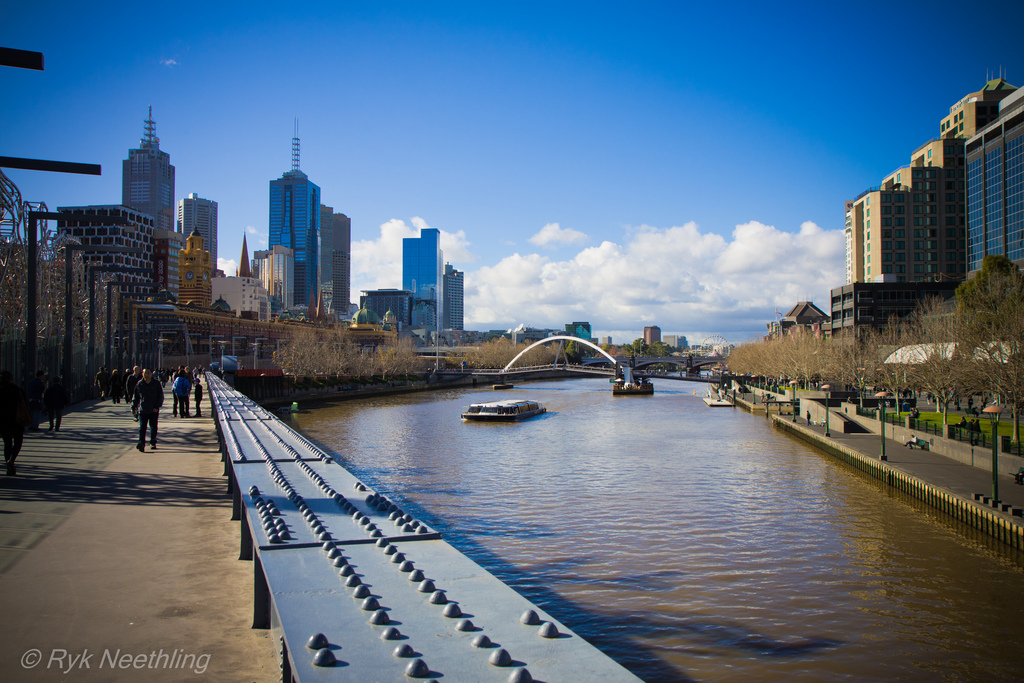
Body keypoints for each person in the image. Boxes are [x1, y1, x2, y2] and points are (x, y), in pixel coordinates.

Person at [0, 370, 27, 475]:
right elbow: (25, 403)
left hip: (3, 421)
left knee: (7, 443)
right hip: (17, 420)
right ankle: (12, 460)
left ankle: (8, 463)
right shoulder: (17, 390)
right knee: (18, 442)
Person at [132, 368, 163, 452]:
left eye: (148, 373)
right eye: (145, 373)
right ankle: (141, 443)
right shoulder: (140, 384)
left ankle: (153, 442)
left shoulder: (156, 384)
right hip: (143, 409)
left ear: (151, 374)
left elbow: (160, 396)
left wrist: (157, 407)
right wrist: (133, 407)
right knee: (142, 427)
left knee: (153, 427)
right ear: (142, 374)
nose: (147, 375)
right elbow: (136, 397)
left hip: (153, 410)